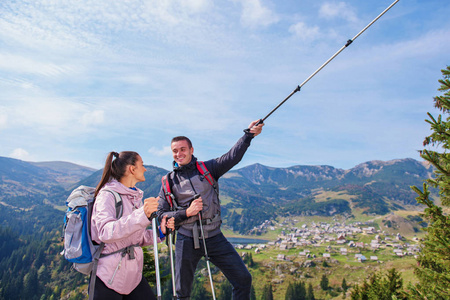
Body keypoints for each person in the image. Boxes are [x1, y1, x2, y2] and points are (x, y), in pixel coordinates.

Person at [157, 120, 264, 300]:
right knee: (181, 294)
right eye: (175, 151)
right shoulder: (168, 181)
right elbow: (162, 213)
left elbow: (232, 157)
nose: (178, 153)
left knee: (243, 279)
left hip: (214, 236)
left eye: (182, 149)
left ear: (191, 150)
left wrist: (248, 136)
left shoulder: (208, 168)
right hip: (185, 238)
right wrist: (186, 213)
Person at [91, 151, 175, 300]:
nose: (145, 169)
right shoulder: (107, 195)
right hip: (109, 276)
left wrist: (160, 232)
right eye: (141, 165)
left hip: (132, 275)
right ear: (132, 169)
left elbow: (136, 237)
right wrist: (143, 215)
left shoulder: (134, 197)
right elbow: (105, 232)